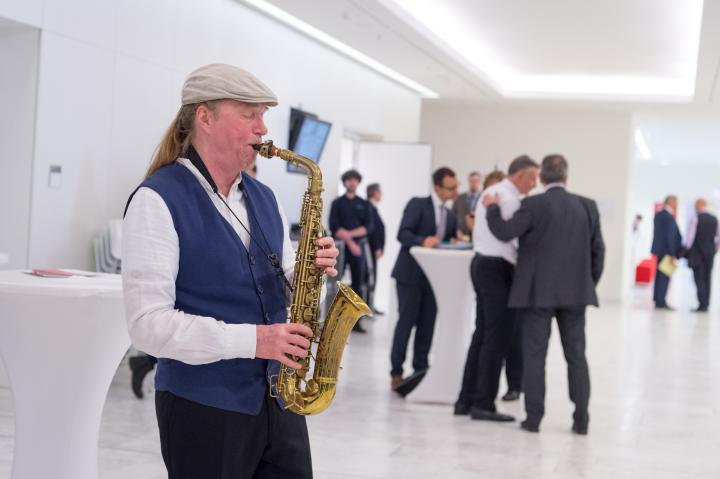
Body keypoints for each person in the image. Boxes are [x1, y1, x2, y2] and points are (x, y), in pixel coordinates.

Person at [122, 63, 339, 478]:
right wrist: (255, 340)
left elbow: (288, 287)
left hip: (280, 400)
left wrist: (312, 275)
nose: (262, 129)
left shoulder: (265, 197)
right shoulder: (157, 200)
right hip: (203, 407)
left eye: (264, 117)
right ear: (204, 117)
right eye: (249, 114)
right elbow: (147, 326)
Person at [483, 154, 605, 435]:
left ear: (542, 179)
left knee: (535, 356)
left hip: (537, 295)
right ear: (566, 177)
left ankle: (534, 419)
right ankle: (581, 420)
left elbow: (504, 232)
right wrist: (587, 282)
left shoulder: (533, 204)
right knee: (576, 356)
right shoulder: (587, 206)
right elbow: (598, 251)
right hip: (576, 295)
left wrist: (490, 209)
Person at [454, 157, 539, 422]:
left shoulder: (490, 193)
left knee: (482, 335)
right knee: (496, 339)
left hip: (481, 264)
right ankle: (484, 404)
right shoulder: (509, 199)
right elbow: (508, 235)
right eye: (533, 177)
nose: (535, 183)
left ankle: (466, 400)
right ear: (519, 176)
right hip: (498, 269)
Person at [389, 167, 458, 395]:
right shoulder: (418, 204)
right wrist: (422, 240)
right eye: (451, 188)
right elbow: (403, 234)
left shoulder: (451, 215)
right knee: (406, 323)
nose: (455, 192)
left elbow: (446, 241)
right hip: (410, 276)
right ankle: (396, 372)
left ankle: (421, 371)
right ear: (437, 187)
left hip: (434, 279)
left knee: (427, 326)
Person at [329, 169, 375, 333]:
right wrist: (349, 241)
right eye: (349, 180)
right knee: (337, 282)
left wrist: (350, 236)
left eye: (355, 180)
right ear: (345, 182)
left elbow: (368, 227)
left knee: (358, 284)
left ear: (358, 182)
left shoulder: (364, 204)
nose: (352, 182)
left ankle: (356, 322)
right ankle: (334, 322)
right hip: (342, 248)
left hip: (359, 248)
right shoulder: (337, 203)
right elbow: (334, 226)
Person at [686, 198, 719, 312]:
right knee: (707, 277)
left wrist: (686, 250)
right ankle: (706, 303)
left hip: (697, 254)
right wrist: (714, 250)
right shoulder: (714, 219)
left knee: (699, 278)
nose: (695, 207)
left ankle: (702, 303)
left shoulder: (695, 219)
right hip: (710, 253)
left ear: (700, 205)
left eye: (696, 205)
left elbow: (690, 238)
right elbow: (718, 237)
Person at [650, 195, 682, 309]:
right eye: (676, 202)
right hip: (667, 252)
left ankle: (658, 299)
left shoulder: (659, 215)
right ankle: (661, 301)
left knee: (659, 276)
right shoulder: (668, 217)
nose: (677, 205)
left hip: (659, 251)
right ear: (671, 202)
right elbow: (670, 237)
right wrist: (672, 253)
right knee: (664, 276)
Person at [366, 183, 386, 315]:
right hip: (371, 249)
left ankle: (371, 306)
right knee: (370, 278)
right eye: (380, 192)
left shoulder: (373, 207)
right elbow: (373, 231)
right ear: (375, 193)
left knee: (373, 278)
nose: (382, 194)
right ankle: (368, 308)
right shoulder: (369, 208)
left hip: (374, 249)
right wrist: (377, 247)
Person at [453, 171, 483, 241]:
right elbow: (453, 215)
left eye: (476, 181)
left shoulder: (484, 198)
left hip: (479, 234)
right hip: (461, 235)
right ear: (468, 181)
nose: (473, 184)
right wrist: (456, 230)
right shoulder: (459, 198)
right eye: (471, 181)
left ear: (479, 182)